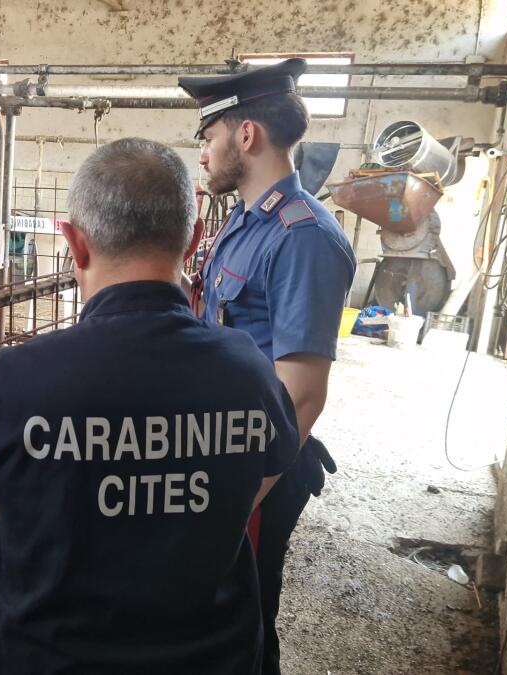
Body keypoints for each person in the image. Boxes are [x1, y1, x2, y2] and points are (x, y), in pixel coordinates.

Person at [0, 137, 302, 674]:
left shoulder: (6, 384)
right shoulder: (249, 372)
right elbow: (257, 480)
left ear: (74, 244)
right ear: (196, 237)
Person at [179, 59, 357, 675]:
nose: (204, 153)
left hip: (255, 469)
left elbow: (303, 392)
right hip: (221, 451)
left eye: (209, 137)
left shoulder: (302, 237)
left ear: (245, 136)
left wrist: (237, 501)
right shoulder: (248, 218)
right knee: (211, 615)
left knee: (245, 626)